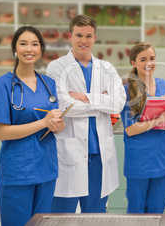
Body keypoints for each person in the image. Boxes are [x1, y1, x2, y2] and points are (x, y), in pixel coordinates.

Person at [47, 15, 126, 213]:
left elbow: (118, 103)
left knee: (95, 216)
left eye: (88, 36)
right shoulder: (56, 67)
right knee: (61, 216)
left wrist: (82, 96)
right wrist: (101, 99)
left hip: (100, 154)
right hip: (69, 153)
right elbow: (65, 106)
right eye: (79, 35)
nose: (84, 40)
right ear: (70, 36)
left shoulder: (107, 68)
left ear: (94, 37)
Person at [0, 26, 65, 225]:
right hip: (18, 171)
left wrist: (57, 124)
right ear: (15, 49)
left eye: (35, 44)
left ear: (41, 49)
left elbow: (59, 127)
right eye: (23, 44)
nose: (29, 49)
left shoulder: (48, 83)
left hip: (47, 169)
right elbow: (2, 133)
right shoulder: (3, 85)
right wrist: (43, 122)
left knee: (42, 223)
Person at [120, 42, 165, 213]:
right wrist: (160, 118)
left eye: (152, 58)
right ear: (133, 63)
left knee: (157, 211)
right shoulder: (127, 90)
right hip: (139, 160)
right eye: (143, 59)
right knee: (136, 212)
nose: (149, 63)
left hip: (162, 157)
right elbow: (130, 129)